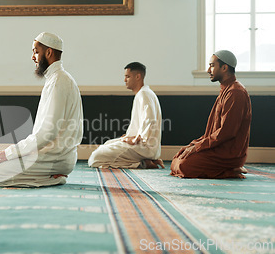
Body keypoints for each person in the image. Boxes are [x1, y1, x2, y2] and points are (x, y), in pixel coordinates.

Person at [0, 32, 83, 187]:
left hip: (55, 158)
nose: (32, 57)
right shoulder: (58, 79)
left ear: (48, 53)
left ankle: (52, 178)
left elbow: (47, 134)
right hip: (52, 156)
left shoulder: (59, 81)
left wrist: (9, 153)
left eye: (36, 52)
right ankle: (49, 177)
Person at [171, 50, 252, 179]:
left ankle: (230, 170)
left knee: (183, 166)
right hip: (216, 148)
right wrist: (194, 145)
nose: (209, 70)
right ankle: (229, 169)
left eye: (212, 65)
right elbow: (213, 132)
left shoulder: (235, 93)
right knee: (177, 158)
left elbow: (226, 132)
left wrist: (198, 147)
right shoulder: (226, 90)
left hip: (227, 153)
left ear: (224, 67)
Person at [88, 62, 164, 169]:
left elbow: (150, 121)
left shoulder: (144, 94)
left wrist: (135, 139)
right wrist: (129, 136)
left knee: (95, 158)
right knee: (107, 144)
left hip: (144, 146)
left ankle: (142, 163)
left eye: (127, 77)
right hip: (140, 144)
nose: (125, 80)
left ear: (138, 77)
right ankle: (144, 161)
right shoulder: (144, 93)